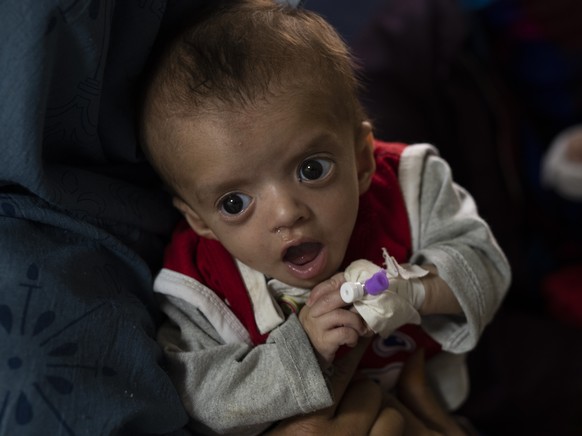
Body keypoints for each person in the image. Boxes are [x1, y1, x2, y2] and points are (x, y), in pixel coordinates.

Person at [139, 0, 511, 434]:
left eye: (311, 169)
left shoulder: (409, 184)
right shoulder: (202, 285)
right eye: (235, 203)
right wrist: (304, 351)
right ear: (199, 219)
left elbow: (485, 264)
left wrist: (414, 291)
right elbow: (197, 396)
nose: (286, 213)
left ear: (361, 159)